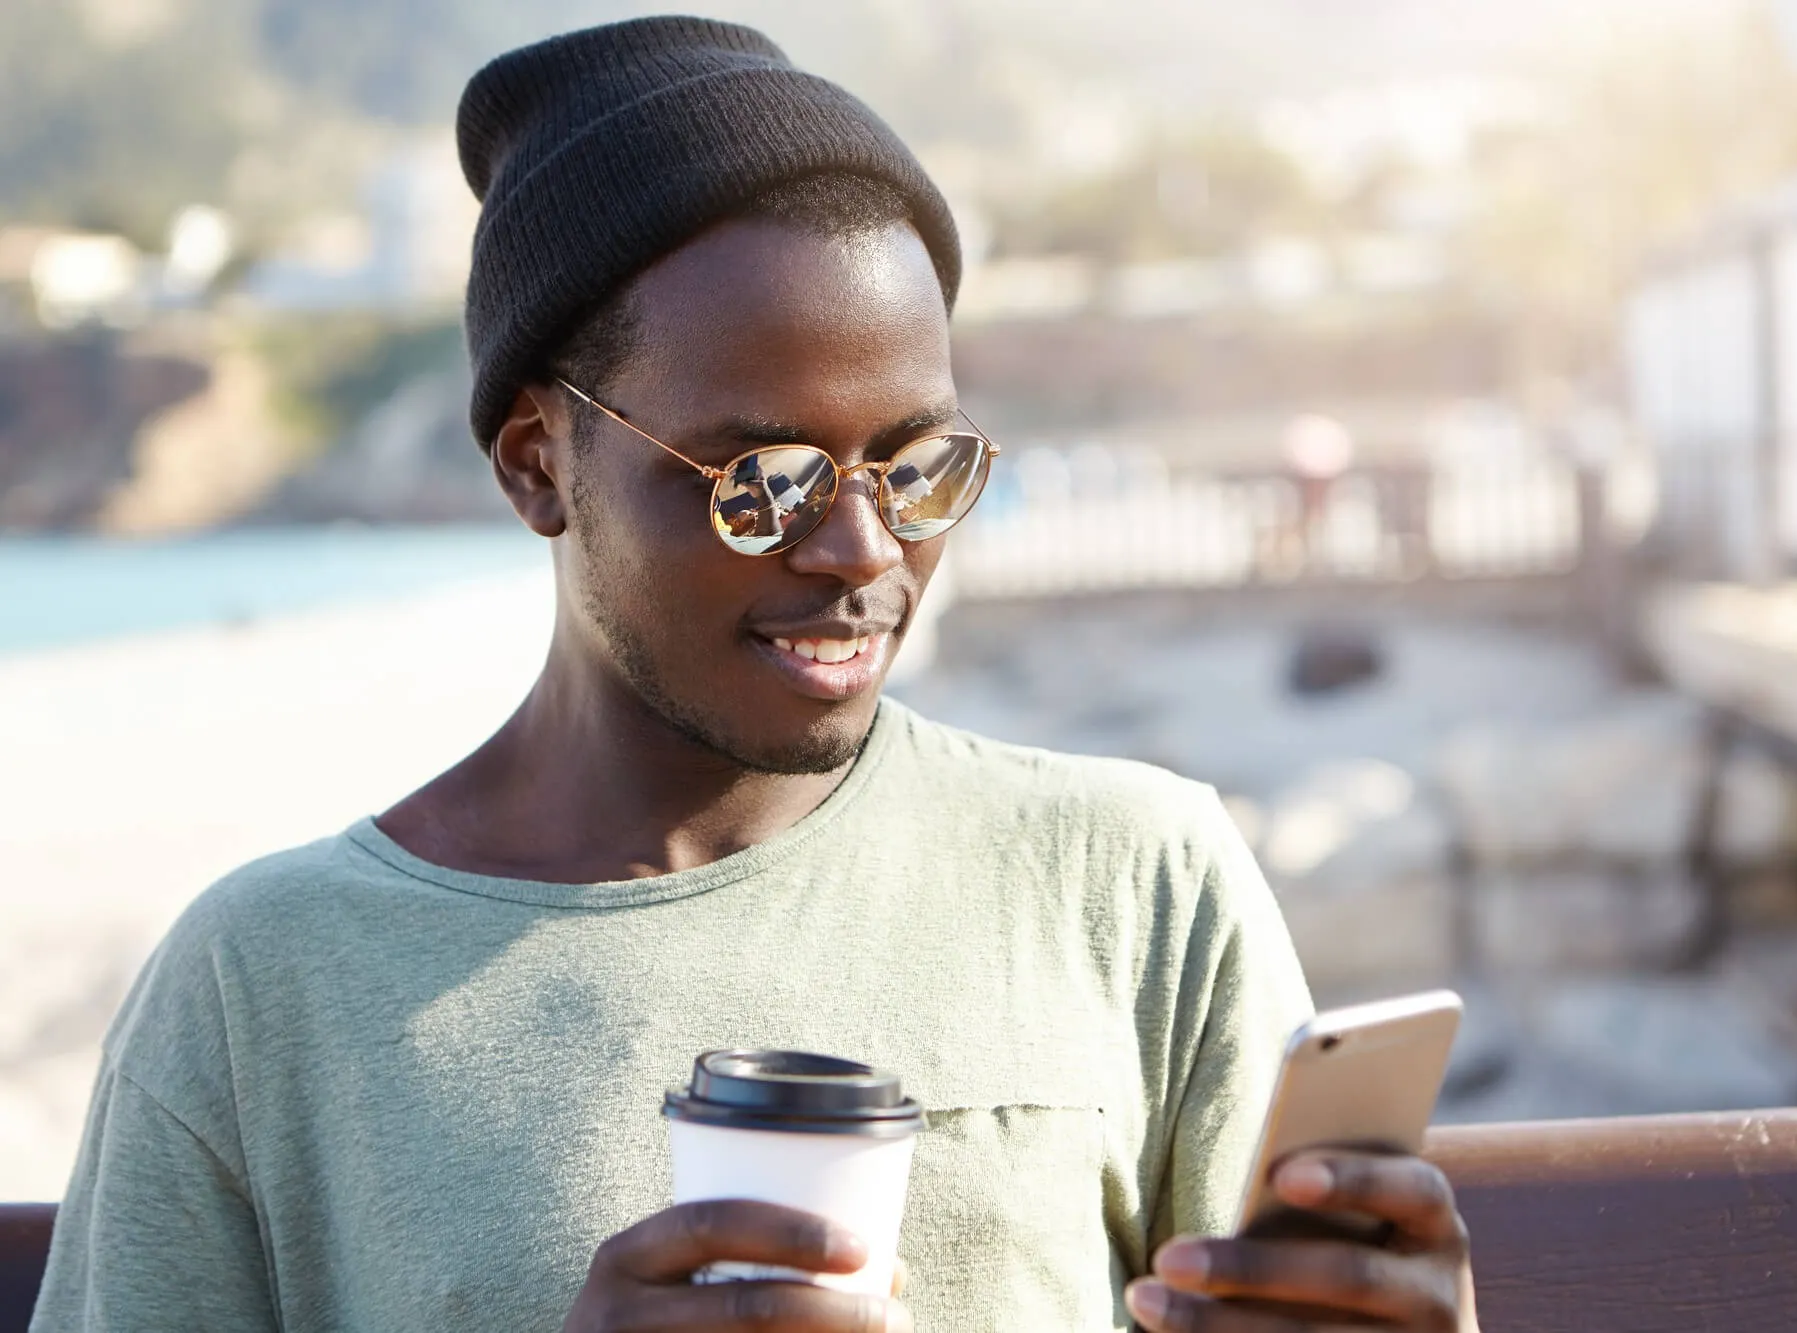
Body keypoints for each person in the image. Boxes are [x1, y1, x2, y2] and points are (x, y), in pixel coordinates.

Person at [30, 18, 1475, 1333]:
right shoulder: (263, 988)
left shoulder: (1138, 884)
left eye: (916, 466)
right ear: (540, 463)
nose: (861, 550)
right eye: (761, 480)